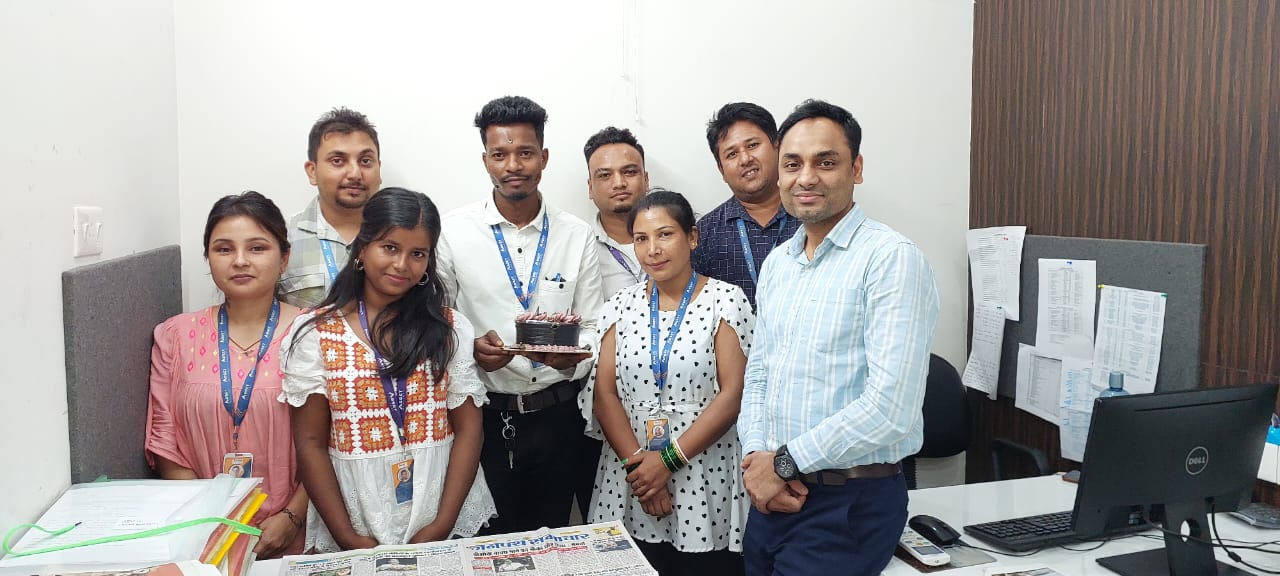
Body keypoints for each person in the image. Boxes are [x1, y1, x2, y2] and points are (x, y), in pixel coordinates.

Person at [737, 100, 939, 575]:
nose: (806, 178)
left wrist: (782, 464)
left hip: (851, 503)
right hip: (774, 498)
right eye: (793, 164)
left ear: (856, 169)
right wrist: (756, 461)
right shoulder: (779, 264)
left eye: (825, 162)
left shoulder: (890, 259)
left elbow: (890, 410)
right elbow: (760, 375)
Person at [281, 188, 496, 552]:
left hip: (440, 506)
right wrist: (347, 536)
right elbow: (311, 443)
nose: (401, 265)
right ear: (363, 248)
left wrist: (441, 524)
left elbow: (469, 430)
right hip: (355, 516)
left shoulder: (448, 328)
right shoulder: (315, 333)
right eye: (390, 248)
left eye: (417, 254)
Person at [436, 96, 603, 534]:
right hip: (484, 421)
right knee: (486, 546)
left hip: (560, 417)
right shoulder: (452, 232)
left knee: (554, 542)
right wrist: (469, 350)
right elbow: (439, 320)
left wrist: (572, 358)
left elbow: (593, 326)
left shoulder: (577, 234)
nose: (513, 165)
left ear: (543, 158)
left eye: (525, 153)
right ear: (485, 160)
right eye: (500, 154)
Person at [582, 190, 752, 575]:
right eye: (641, 239)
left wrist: (667, 461)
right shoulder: (619, 306)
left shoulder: (726, 301)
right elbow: (604, 394)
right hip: (632, 475)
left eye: (665, 235)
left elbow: (733, 394)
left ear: (692, 237)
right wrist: (642, 473)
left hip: (703, 470)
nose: (653, 250)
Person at [145, 191, 308, 558]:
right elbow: (165, 438)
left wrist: (292, 517)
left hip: (297, 530)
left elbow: (331, 438)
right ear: (208, 258)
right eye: (223, 249)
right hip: (203, 533)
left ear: (284, 258)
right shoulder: (175, 335)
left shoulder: (313, 333)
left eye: (257, 248)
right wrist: (211, 522)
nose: (240, 261)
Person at [692, 103, 803, 307]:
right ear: (721, 170)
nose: (745, 159)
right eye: (732, 154)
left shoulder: (811, 214)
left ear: (777, 147)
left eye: (752, 145)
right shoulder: (704, 233)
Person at [281, 107, 383, 308]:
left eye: (365, 161)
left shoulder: (403, 238)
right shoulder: (282, 239)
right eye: (338, 161)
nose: (355, 173)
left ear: (379, 168)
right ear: (312, 171)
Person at [584, 126, 650, 298]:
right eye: (605, 175)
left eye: (629, 172)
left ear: (646, 180)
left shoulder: (678, 239)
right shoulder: (579, 247)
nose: (619, 183)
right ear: (590, 188)